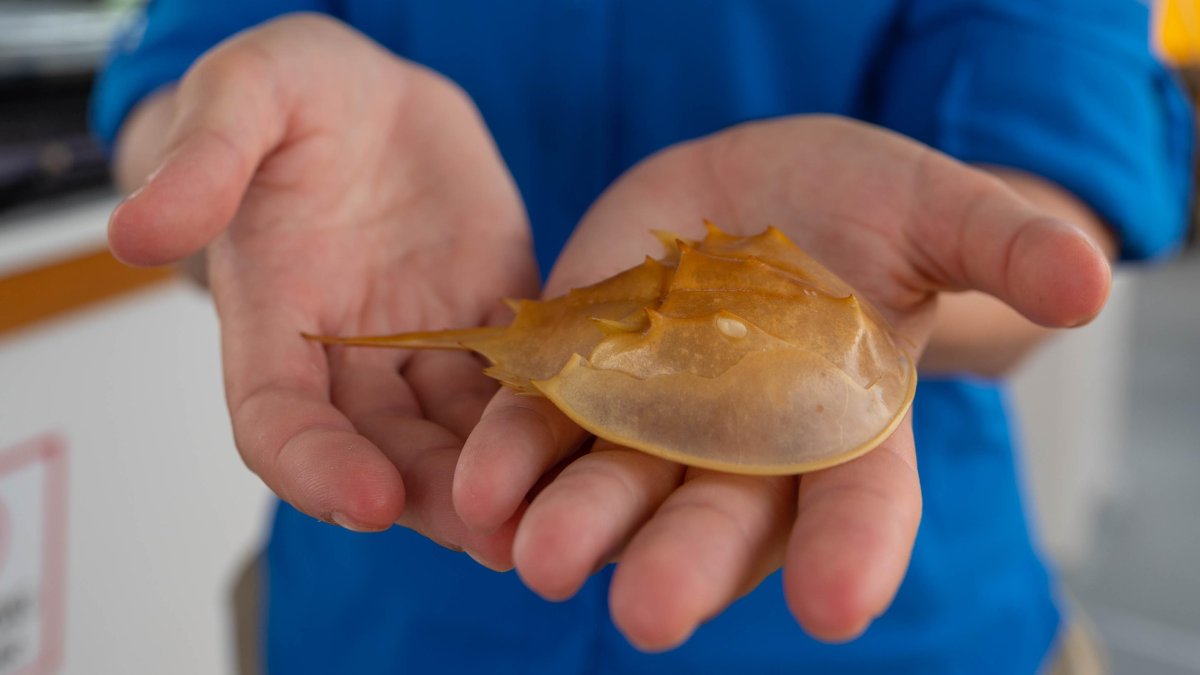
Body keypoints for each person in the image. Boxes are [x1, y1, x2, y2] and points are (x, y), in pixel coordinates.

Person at [92, 2, 1191, 673]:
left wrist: (931, 266)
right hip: (388, 606)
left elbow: (1054, 175)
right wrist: (238, 165)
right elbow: (181, 83)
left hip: (901, 635)